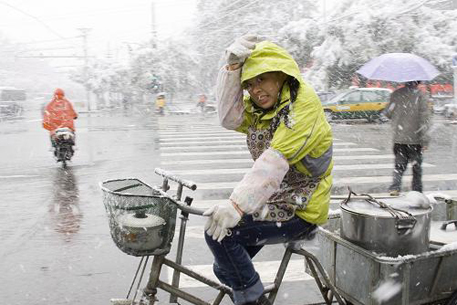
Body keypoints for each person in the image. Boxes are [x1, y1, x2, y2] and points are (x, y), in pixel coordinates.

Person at [203, 35, 333, 305]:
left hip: (302, 206)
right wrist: (232, 71)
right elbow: (229, 118)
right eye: (249, 84)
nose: (255, 90)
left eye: (261, 79)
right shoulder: (263, 107)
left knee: (220, 236)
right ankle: (249, 290)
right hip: (276, 200)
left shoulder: (302, 104)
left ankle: (253, 300)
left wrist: (236, 206)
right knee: (224, 266)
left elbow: (275, 161)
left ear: (281, 73)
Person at [384, 81, 432, 196]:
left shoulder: (396, 94)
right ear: (418, 82)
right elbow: (424, 120)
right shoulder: (421, 96)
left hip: (399, 138)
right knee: (416, 169)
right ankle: (416, 192)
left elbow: (387, 113)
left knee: (399, 166)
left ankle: (395, 188)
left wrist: (398, 116)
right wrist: (425, 140)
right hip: (414, 139)